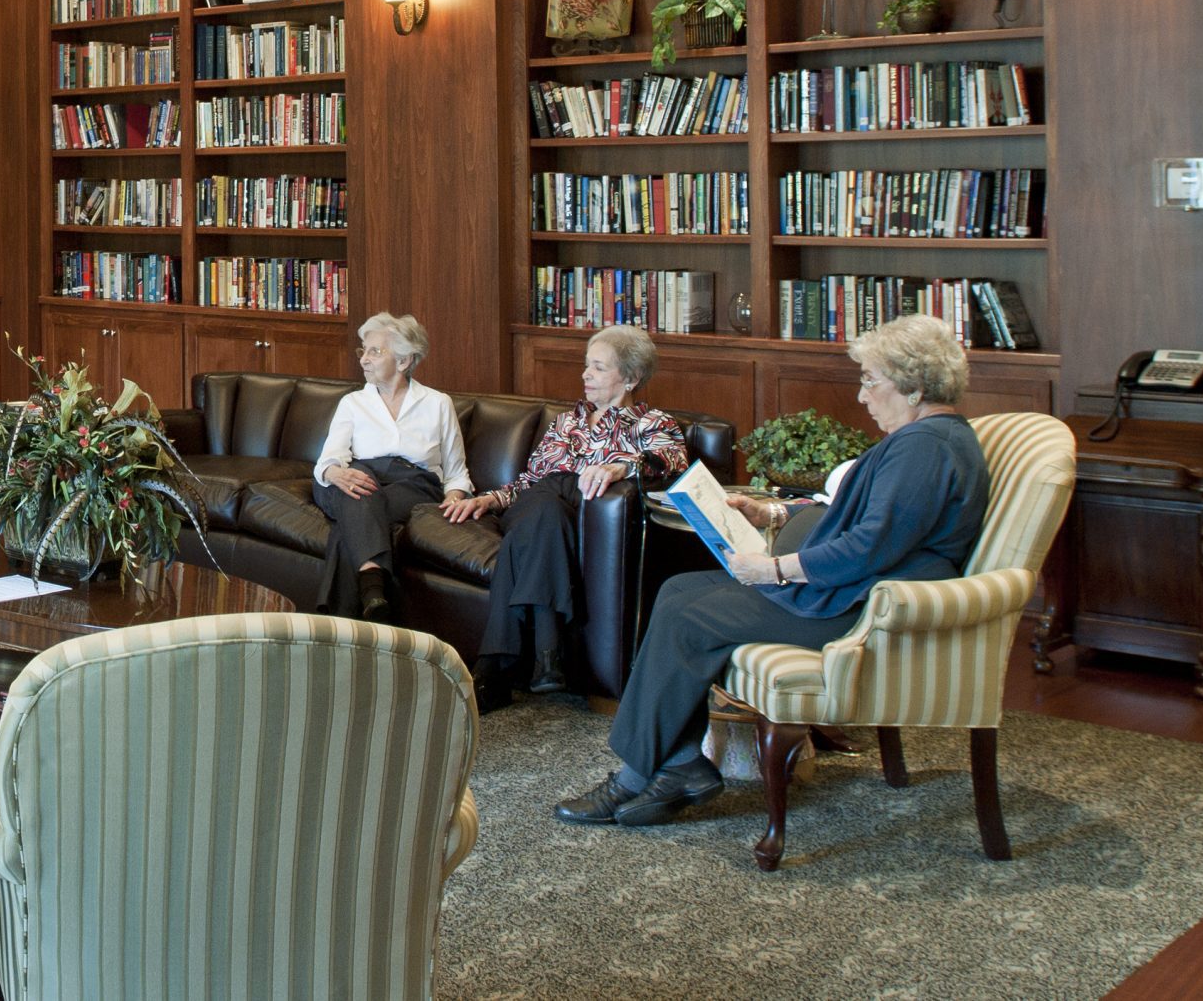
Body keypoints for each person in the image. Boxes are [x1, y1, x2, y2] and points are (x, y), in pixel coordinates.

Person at [554, 313, 987, 829]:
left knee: (689, 616)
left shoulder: (925, 447)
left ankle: (637, 776)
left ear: (914, 387)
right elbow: (855, 519)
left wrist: (774, 569)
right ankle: (678, 764)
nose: (862, 396)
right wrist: (773, 514)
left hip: (854, 605)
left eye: (871, 380)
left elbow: (867, 547)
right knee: (677, 591)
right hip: (846, 590)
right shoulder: (932, 438)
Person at [450, 324, 690, 699]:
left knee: (540, 524)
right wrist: (488, 500)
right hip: (539, 501)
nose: (585, 375)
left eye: (597, 367)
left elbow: (671, 460)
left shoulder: (651, 423)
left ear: (630, 377)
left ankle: (496, 667)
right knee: (543, 505)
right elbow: (529, 481)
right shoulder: (567, 422)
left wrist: (618, 467)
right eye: (586, 365)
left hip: (576, 516)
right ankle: (548, 655)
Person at [311, 312, 473, 622]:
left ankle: (344, 616)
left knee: (357, 508)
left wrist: (454, 495)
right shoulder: (353, 403)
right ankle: (373, 587)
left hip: (414, 484)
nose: (364, 360)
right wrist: (336, 473)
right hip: (357, 474)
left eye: (375, 351)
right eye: (363, 350)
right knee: (359, 489)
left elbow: (455, 471)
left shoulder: (438, 404)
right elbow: (329, 458)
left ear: (403, 361)